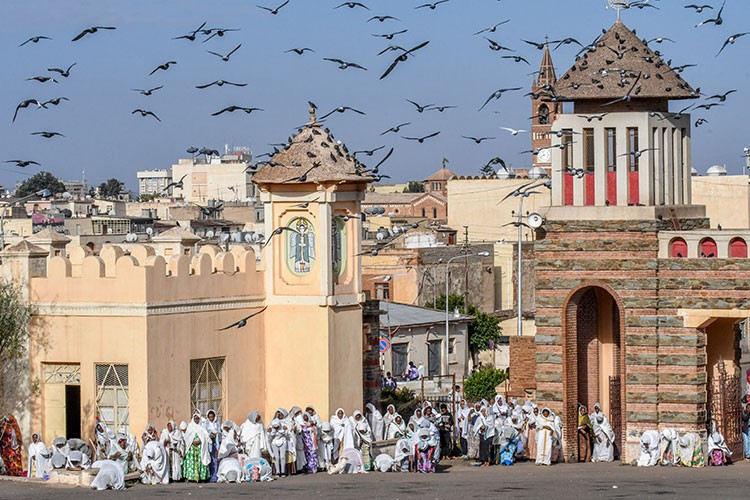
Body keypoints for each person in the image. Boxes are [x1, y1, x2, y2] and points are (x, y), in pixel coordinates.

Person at [183, 411, 211, 482]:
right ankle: (192, 477)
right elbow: (187, 438)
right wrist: (192, 442)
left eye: (198, 418)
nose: (196, 420)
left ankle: (201, 477)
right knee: (192, 462)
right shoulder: (190, 426)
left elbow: (205, 436)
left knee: (201, 461)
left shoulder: (202, 427)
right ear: (193, 419)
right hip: (192, 448)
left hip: (200, 447)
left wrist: (200, 441)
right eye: (195, 419)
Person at [203, 409, 221, 482]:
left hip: (215, 444)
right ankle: (208, 476)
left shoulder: (217, 424)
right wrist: (209, 435)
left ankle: (214, 476)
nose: (211, 418)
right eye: (210, 417)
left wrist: (216, 434)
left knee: (215, 460)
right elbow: (204, 433)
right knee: (208, 459)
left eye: (212, 417)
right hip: (208, 444)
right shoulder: (205, 424)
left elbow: (219, 432)